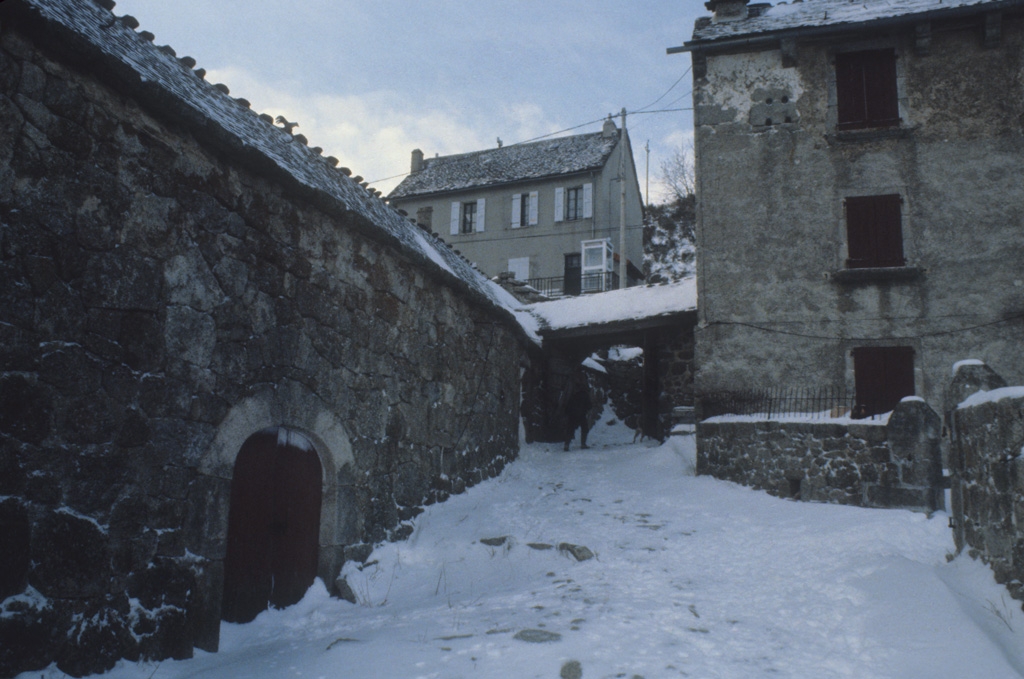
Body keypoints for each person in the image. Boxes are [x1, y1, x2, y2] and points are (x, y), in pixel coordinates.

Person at [563, 373, 592, 451]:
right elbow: (589, 405)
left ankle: (567, 445)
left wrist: (567, 412)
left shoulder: (572, 393)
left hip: (573, 414)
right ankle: (583, 444)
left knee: (570, 429)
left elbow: (568, 403)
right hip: (581, 414)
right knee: (584, 428)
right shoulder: (584, 394)